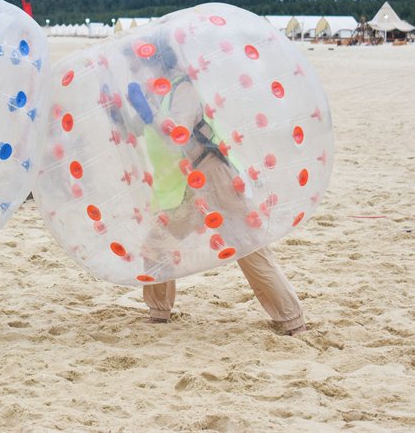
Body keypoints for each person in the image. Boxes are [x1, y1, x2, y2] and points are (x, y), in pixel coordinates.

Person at [128, 33, 307, 336]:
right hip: (187, 184)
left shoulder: (184, 88)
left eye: (141, 65)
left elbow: (177, 133)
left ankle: (291, 320)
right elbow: (140, 129)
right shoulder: (161, 92)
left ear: (157, 61)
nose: (139, 72)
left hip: (215, 176)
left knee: (249, 247)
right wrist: (120, 109)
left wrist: (150, 112)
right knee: (157, 242)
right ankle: (159, 312)